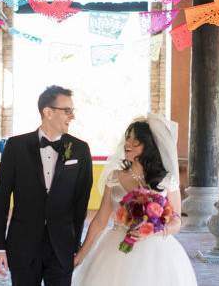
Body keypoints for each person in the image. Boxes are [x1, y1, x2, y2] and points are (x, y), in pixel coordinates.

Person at [72, 114, 197, 286]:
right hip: (115, 249)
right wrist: (80, 256)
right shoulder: (114, 177)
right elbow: (100, 220)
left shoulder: (166, 180)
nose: (127, 144)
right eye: (127, 139)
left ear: (149, 146)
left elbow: (176, 222)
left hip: (157, 253)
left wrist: (153, 231)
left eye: (135, 141)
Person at [0, 85, 93, 286]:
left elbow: (81, 203)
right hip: (22, 246)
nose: (72, 116)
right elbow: (1, 199)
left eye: (72, 111)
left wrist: (75, 245)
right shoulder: (16, 147)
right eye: (67, 110)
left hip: (62, 248)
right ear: (48, 112)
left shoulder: (80, 150)